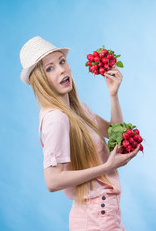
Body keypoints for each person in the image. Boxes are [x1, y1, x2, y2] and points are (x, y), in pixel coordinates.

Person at [19, 36, 140, 231]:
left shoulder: (79, 110)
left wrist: (113, 94)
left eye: (62, 61)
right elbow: (52, 181)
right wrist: (107, 166)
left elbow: (116, 134)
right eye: (50, 68)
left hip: (107, 213)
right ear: (40, 81)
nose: (62, 70)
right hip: (96, 217)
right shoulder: (55, 119)